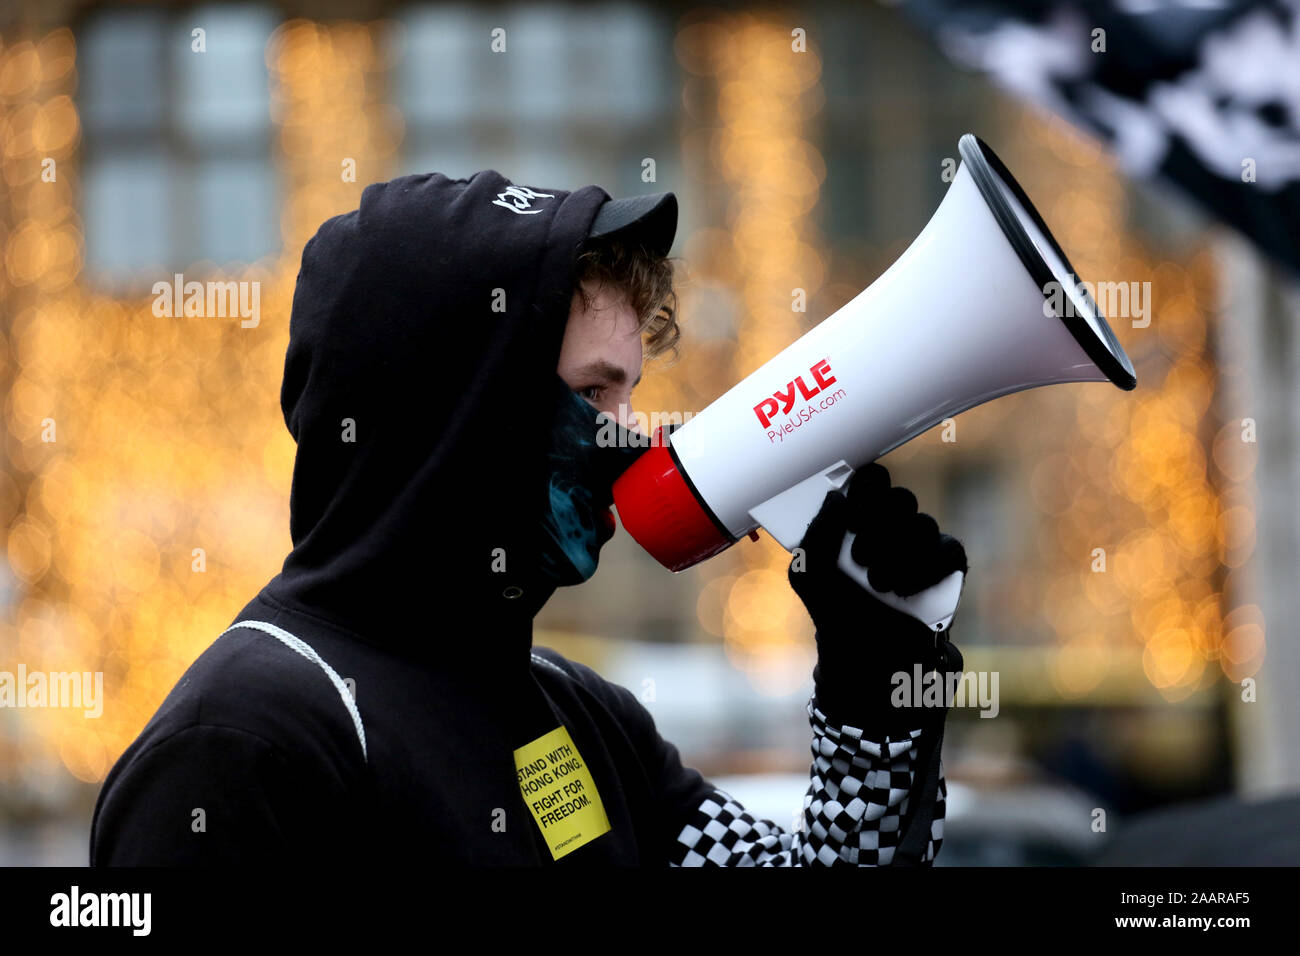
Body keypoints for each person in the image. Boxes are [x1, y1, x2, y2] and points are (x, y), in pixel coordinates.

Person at [89, 170, 967, 866]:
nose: (629, 439)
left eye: (630, 392)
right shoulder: (244, 746)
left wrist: (877, 685)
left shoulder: (579, 715)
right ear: (458, 410)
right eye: (591, 392)